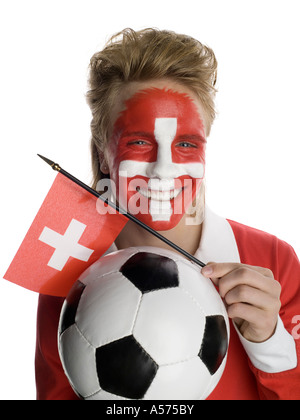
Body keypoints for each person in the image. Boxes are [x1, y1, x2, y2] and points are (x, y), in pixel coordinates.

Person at [35, 28, 300, 400]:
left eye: (186, 144)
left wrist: (272, 344)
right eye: (139, 142)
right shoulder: (66, 271)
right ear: (102, 155)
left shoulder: (273, 261)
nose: (163, 170)